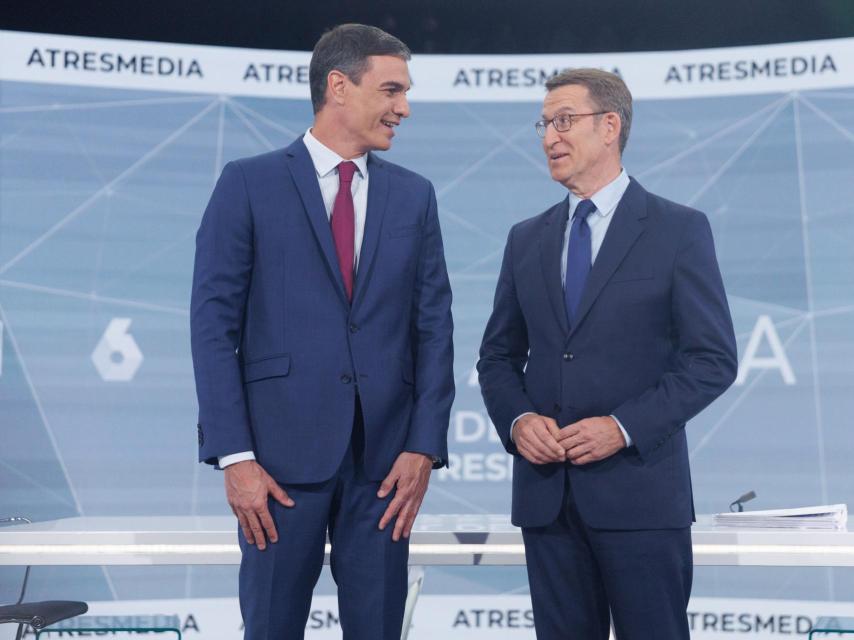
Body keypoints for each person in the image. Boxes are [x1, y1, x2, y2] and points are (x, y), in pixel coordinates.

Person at [190, 24, 454, 640]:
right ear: (338, 86)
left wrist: (423, 448)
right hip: (275, 472)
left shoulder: (414, 196)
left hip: (386, 473)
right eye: (391, 90)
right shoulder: (248, 183)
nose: (404, 107)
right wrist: (236, 457)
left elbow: (434, 328)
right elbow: (212, 327)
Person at [477, 68, 737, 639]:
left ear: (611, 126)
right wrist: (519, 421)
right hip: (548, 501)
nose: (550, 136)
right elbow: (496, 358)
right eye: (544, 124)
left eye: (564, 121)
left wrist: (622, 427)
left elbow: (711, 359)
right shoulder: (526, 238)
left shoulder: (678, 230)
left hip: (640, 498)